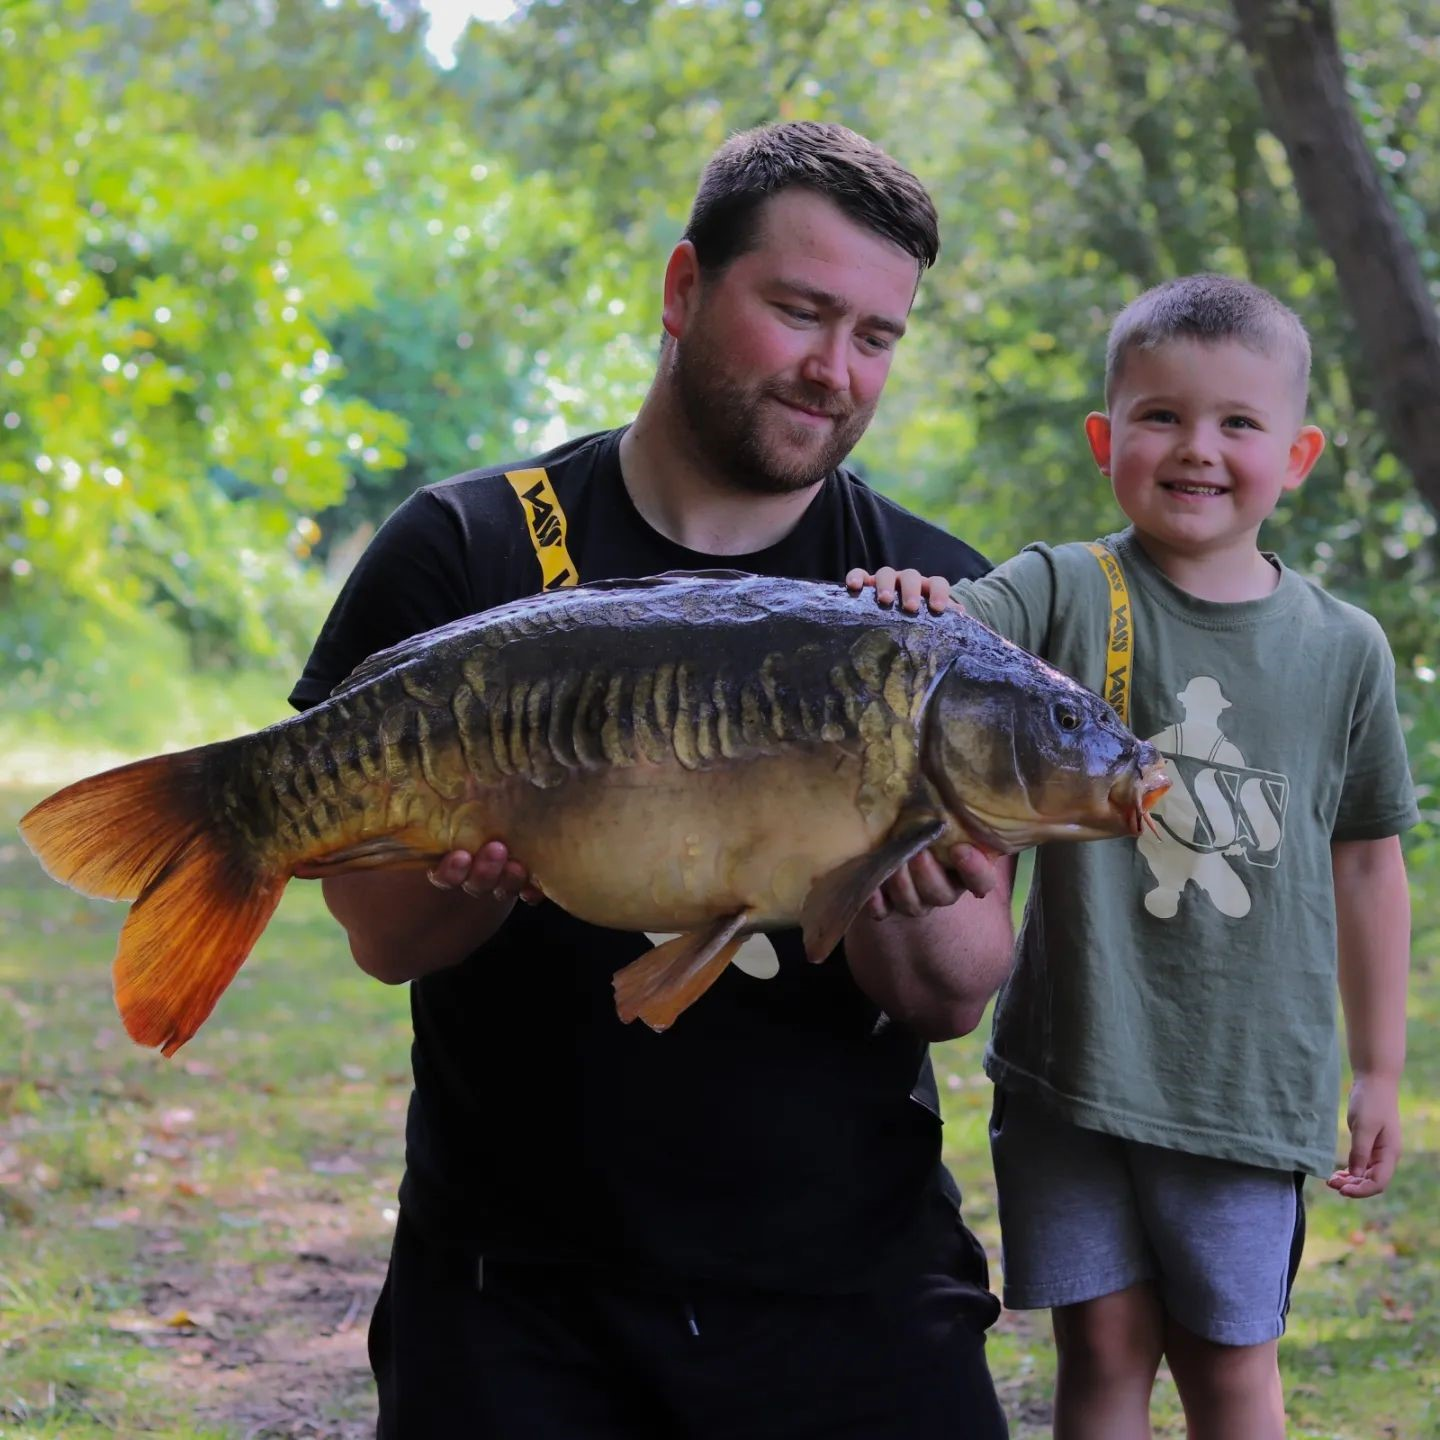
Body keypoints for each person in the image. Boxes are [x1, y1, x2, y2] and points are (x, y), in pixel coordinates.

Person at [291, 121, 1017, 1438]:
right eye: (800, 312)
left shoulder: (927, 608)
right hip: (515, 1293)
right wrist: (477, 871)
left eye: (876, 336)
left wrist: (903, 859)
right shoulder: (468, 549)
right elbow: (384, 940)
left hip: (850, 1288)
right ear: (685, 289)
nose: (834, 370)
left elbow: (954, 991)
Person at [851, 274, 1416, 1440]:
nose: (1197, 447)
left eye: (1237, 423)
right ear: (1108, 439)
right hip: (1077, 1062)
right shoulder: (1065, 589)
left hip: (1247, 1081)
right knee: (1102, 1349)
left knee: (1229, 1362)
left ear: (1297, 456)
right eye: (1162, 416)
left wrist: (1377, 1068)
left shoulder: (1343, 648)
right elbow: (948, 636)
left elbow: (1367, 863)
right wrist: (910, 599)